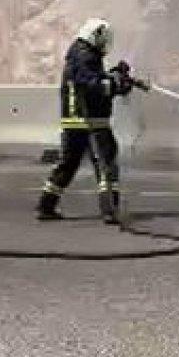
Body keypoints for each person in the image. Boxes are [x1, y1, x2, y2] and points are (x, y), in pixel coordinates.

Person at [35, 18, 146, 223]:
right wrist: (115, 85)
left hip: (74, 121)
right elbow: (91, 85)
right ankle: (110, 210)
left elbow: (91, 80)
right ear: (97, 35)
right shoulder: (85, 56)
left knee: (68, 164)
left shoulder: (79, 55)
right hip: (92, 121)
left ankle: (45, 205)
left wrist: (114, 76)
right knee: (106, 164)